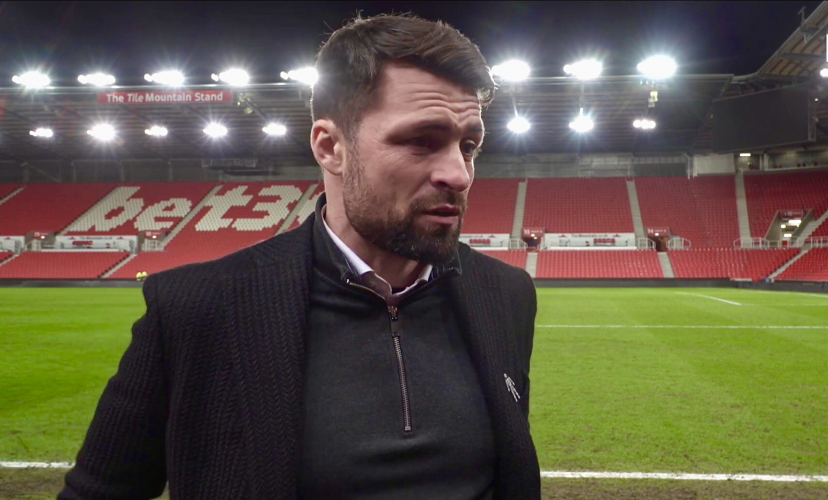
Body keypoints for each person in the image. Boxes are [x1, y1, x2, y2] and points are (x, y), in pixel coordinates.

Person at [59, 13, 539, 500]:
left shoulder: (505, 294)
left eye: (469, 145)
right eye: (421, 141)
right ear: (330, 147)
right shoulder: (196, 307)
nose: (459, 174)